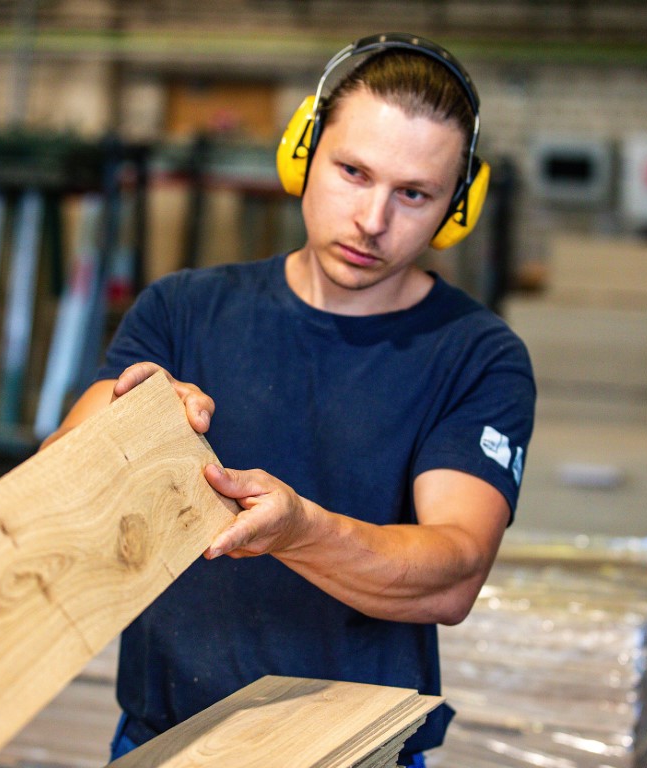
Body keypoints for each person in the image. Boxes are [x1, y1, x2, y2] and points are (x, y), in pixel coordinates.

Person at [43, 32, 535, 766]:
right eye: (352, 172)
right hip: (162, 744)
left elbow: (454, 571)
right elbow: (49, 493)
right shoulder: (182, 310)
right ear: (301, 154)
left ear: (455, 209)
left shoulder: (476, 355)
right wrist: (116, 430)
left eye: (413, 194)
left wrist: (299, 530)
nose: (373, 219)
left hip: (354, 756)